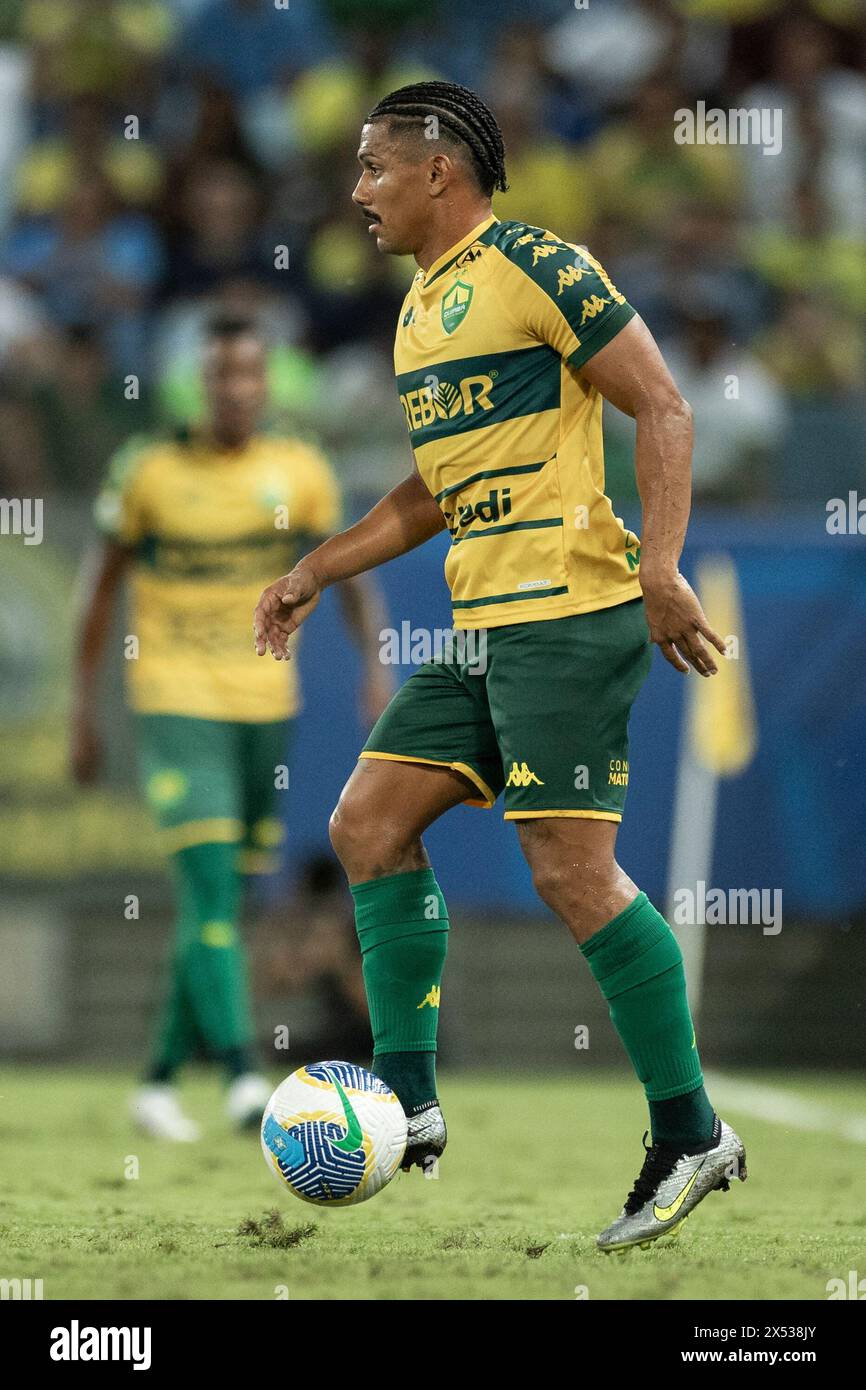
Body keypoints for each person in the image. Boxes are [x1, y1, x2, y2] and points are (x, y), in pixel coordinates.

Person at [253, 81, 747, 1252]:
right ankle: (410, 1099)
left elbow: (661, 406)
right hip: (483, 630)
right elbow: (434, 490)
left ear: (438, 171)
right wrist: (317, 567)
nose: (356, 191)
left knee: (571, 874)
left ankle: (688, 1131)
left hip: (569, 612)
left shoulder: (536, 261)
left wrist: (663, 565)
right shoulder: (420, 308)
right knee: (368, 820)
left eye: (374, 167)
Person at [72, 314, 390, 1140]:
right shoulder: (147, 472)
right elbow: (99, 590)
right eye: (221, 376)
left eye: (251, 375)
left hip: (264, 707)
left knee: (222, 904)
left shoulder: (300, 470)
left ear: (267, 382)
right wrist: (81, 709)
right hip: (177, 700)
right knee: (211, 888)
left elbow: (348, 570)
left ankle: (156, 1081)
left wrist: (374, 664)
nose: (236, 390)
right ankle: (246, 1076)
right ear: (198, 385)